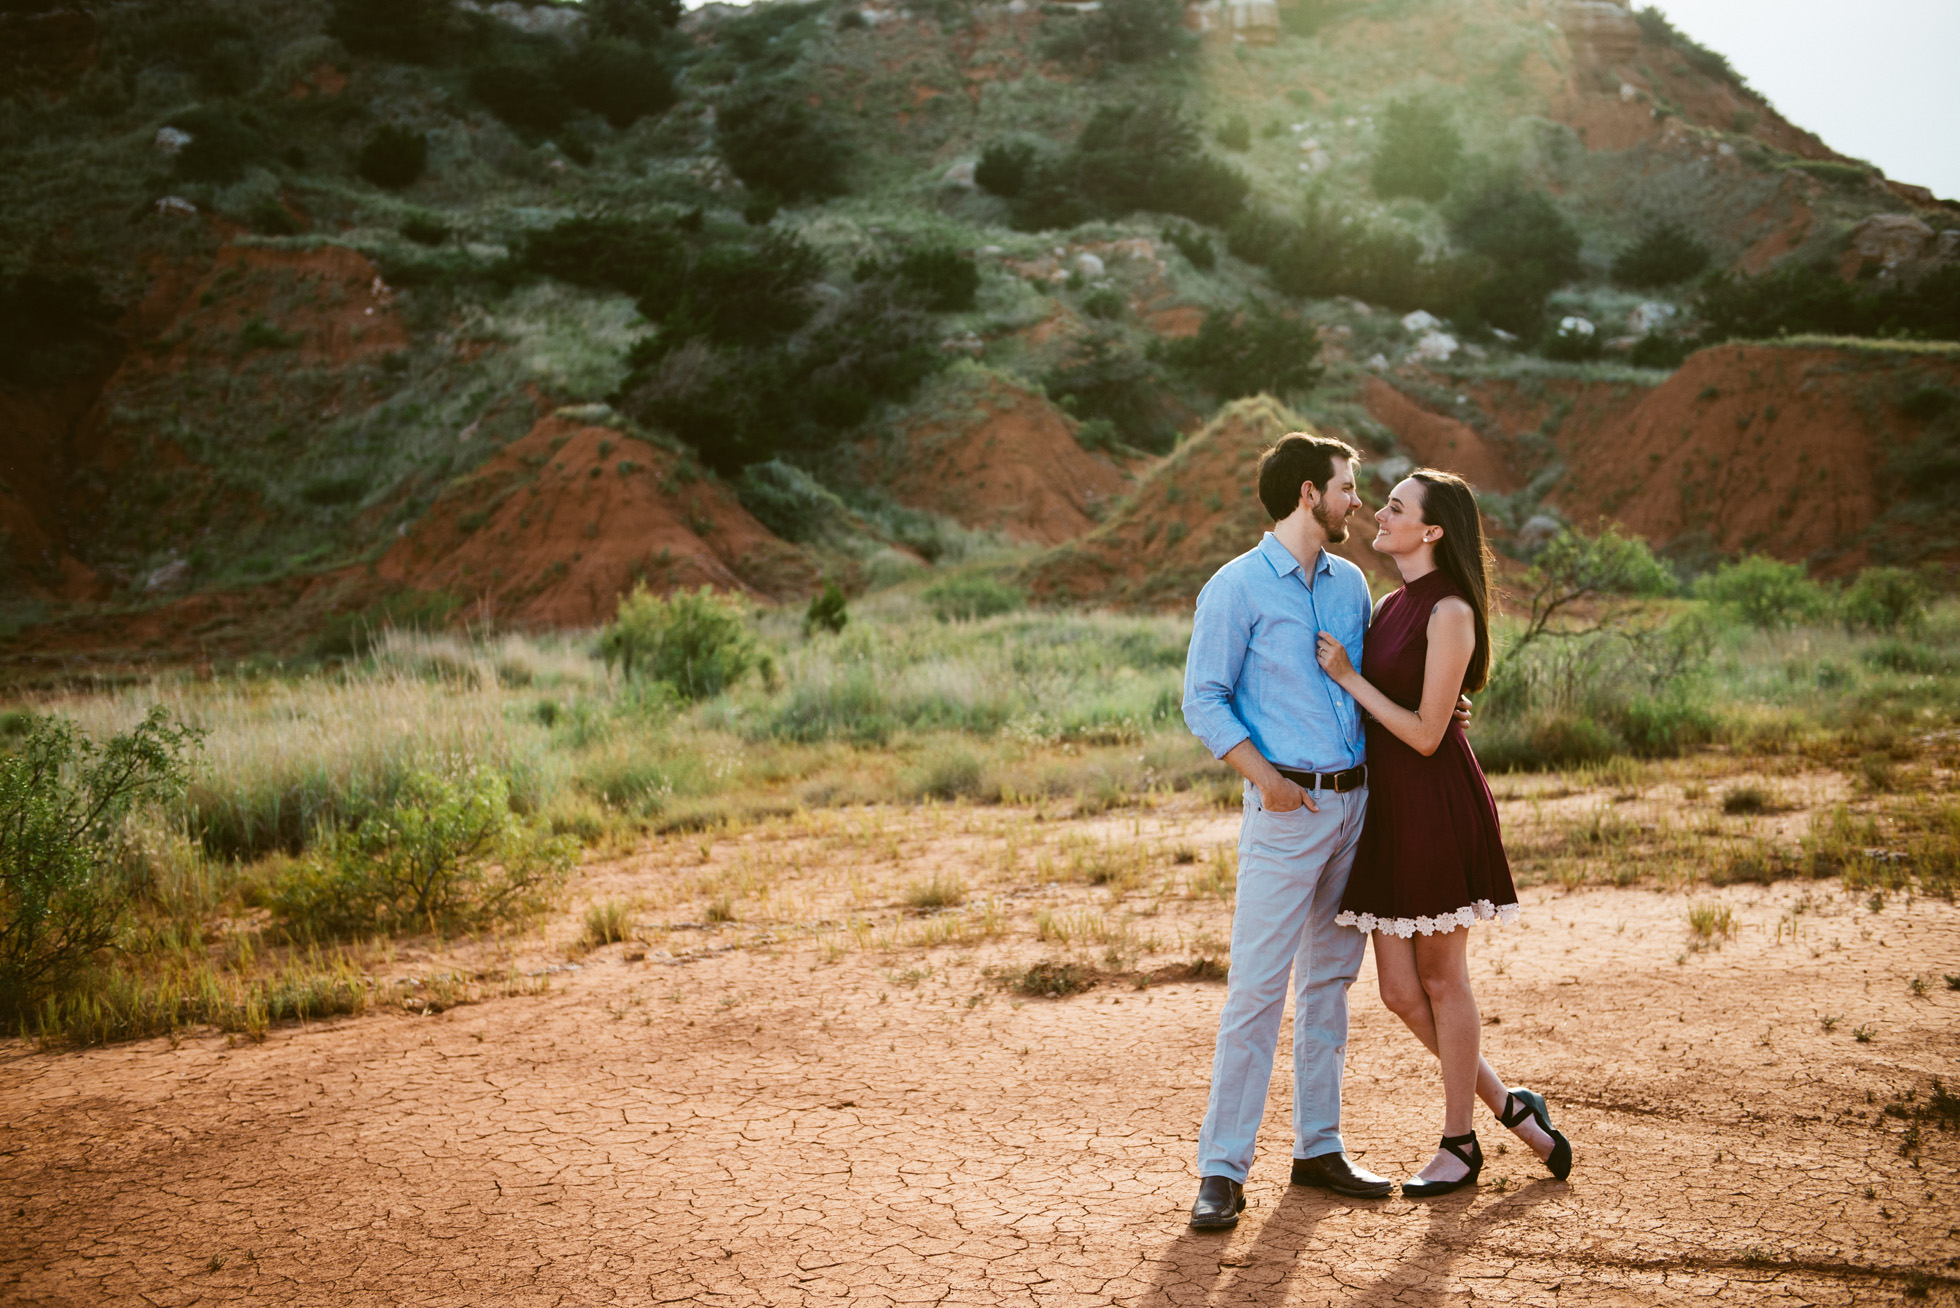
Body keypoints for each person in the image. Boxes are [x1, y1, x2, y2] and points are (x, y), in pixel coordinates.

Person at [1181, 433, 1465, 1230]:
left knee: (1327, 987)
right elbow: (1202, 699)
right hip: (1285, 812)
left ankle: (1319, 1148)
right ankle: (1222, 1168)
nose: (1358, 502)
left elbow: (1380, 682)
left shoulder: (1350, 585)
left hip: (1356, 809)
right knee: (1258, 992)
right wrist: (1267, 782)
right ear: (1310, 494)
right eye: (1347, 488)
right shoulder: (1234, 588)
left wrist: (1449, 709)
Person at [1314, 469, 1574, 1197]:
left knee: (1439, 978)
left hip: (1434, 802)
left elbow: (1429, 735)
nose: (1380, 512)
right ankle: (1511, 1105)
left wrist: (1348, 678)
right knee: (1398, 991)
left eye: (1395, 506)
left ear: (1430, 531)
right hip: (1389, 808)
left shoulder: (1450, 609)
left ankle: (1459, 1142)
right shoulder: (1391, 604)